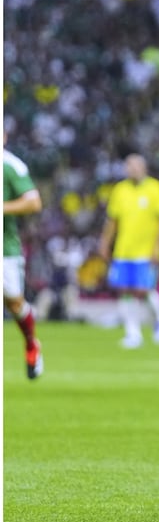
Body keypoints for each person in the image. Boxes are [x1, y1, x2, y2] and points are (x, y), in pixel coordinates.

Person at [98, 154, 159, 348]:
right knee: (124, 290)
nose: (131, 169)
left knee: (144, 289)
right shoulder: (120, 190)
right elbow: (112, 220)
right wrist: (105, 243)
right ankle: (133, 333)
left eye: (134, 166)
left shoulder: (155, 188)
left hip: (145, 250)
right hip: (124, 250)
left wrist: (158, 246)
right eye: (128, 166)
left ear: (144, 168)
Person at [3, 138, 44, 379]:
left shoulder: (11, 165)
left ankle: (31, 343)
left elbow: (33, 202)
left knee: (15, 303)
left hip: (4, 248)